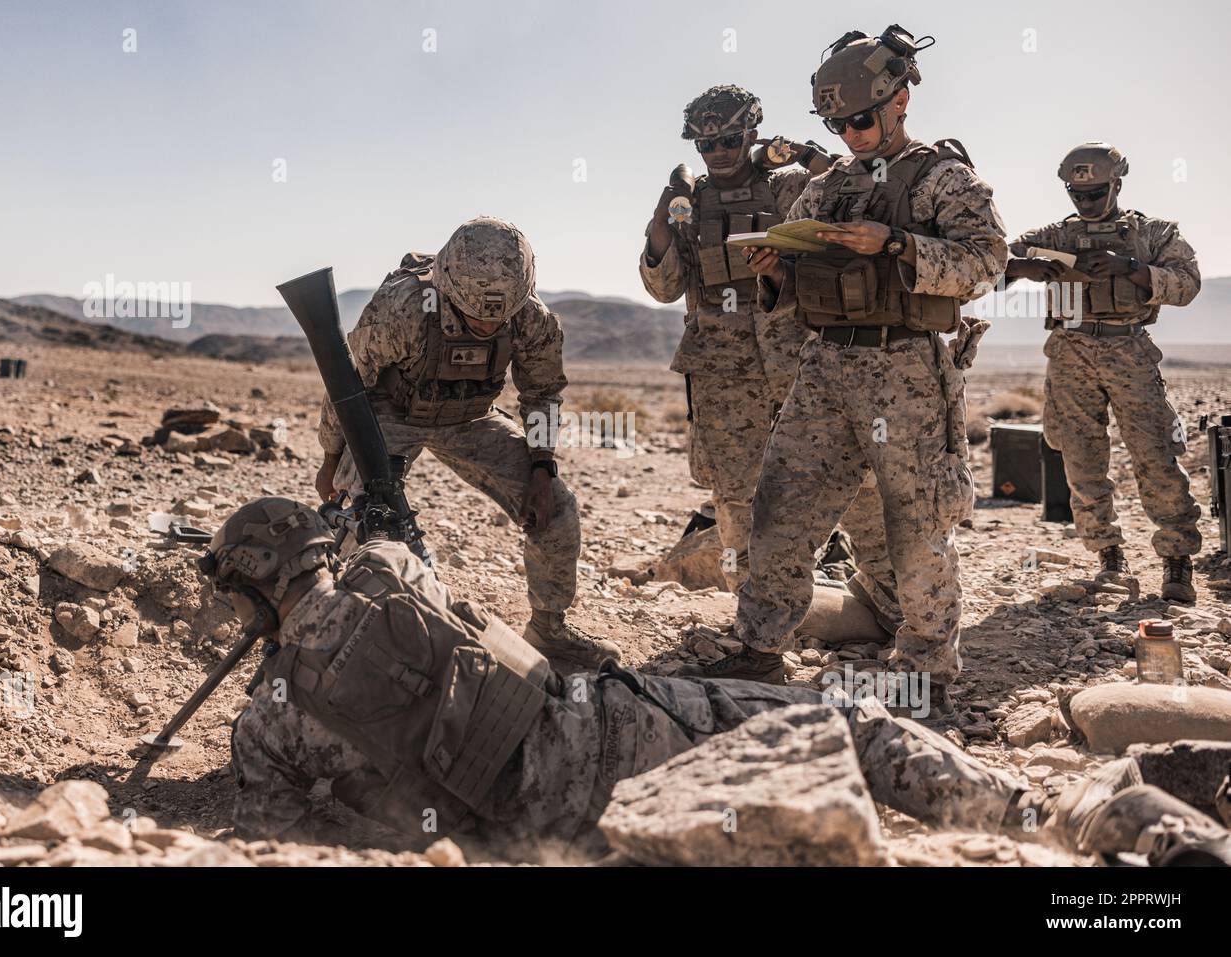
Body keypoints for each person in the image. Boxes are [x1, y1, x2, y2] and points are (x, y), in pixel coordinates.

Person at [206, 497, 1230, 866]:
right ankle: (1077, 814)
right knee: (854, 726)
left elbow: (285, 828)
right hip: (610, 724)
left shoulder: (266, 725)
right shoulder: (394, 574)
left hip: (536, 825)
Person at [694, 25, 1006, 712]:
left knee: (916, 521)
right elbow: (795, 265)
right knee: (782, 503)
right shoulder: (828, 185)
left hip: (907, 371)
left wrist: (896, 242)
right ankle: (761, 646)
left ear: (900, 101)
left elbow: (986, 262)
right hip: (826, 366)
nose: (851, 135)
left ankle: (929, 668)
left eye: (861, 119)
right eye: (837, 124)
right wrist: (777, 268)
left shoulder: (941, 180)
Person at [640, 84, 900, 646]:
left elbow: (852, 199)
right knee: (737, 500)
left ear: (753, 133)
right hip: (723, 378)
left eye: (730, 139)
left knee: (852, 484)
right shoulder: (689, 203)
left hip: (803, 365)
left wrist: (802, 157)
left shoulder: (790, 187)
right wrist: (665, 208)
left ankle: (892, 604)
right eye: (705, 143)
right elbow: (662, 286)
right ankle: (756, 623)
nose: (718, 151)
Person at [315, 217, 618, 666]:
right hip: (388, 415)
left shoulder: (532, 321)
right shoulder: (404, 307)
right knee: (359, 518)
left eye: (497, 316)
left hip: (469, 419)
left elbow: (542, 394)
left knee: (557, 507)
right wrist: (331, 456)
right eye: (473, 314)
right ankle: (342, 626)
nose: (484, 324)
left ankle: (548, 631)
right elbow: (348, 381)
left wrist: (541, 467)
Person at [1005, 143, 1202, 601]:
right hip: (1070, 351)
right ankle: (1107, 553)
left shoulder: (1152, 232)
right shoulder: (1052, 235)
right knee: (1081, 458)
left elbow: (1187, 284)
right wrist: (1024, 267)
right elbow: (986, 267)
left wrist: (1131, 268)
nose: (1085, 202)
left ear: (1116, 184)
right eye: (1077, 194)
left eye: (1094, 193)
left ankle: (1177, 557)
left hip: (1128, 348)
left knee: (1155, 453)